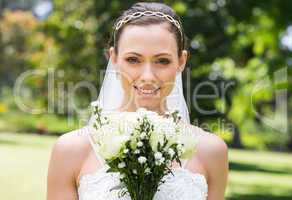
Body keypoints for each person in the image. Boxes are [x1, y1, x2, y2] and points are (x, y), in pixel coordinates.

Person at [47, 2, 228, 200]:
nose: (148, 76)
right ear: (113, 58)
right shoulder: (71, 150)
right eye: (133, 60)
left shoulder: (211, 151)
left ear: (181, 61)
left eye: (162, 61)